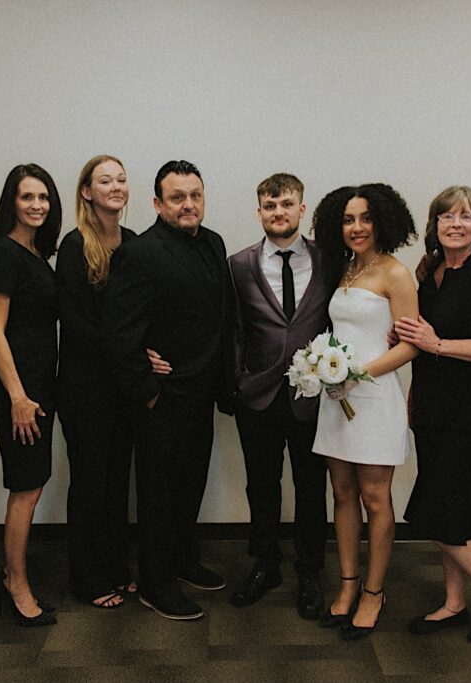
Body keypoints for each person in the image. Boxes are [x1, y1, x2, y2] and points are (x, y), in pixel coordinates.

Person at [104, 160, 235, 620]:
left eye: (195, 195)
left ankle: (182, 560)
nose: (188, 204)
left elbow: (222, 315)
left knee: (190, 485)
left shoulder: (214, 243)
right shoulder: (140, 253)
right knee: (158, 493)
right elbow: (120, 333)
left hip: (202, 393)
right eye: (177, 197)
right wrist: (148, 390)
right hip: (161, 397)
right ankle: (156, 582)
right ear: (158, 203)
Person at [393, 186, 471, 645]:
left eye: (466, 217)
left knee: (446, 509)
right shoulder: (430, 274)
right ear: (436, 226)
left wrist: (439, 346)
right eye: (447, 216)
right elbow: (420, 340)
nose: (456, 224)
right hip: (431, 407)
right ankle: (453, 602)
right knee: (449, 510)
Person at [226, 173, 339, 618]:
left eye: (287, 204)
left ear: (301, 208)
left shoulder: (330, 260)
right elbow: (233, 327)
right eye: (270, 206)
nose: (279, 213)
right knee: (262, 486)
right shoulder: (239, 264)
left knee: (312, 488)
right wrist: (237, 380)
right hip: (257, 396)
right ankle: (266, 563)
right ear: (259, 212)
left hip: (313, 398)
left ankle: (310, 570)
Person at [310, 183, 419, 640]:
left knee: (375, 499)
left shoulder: (395, 273)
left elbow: (411, 344)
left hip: (373, 397)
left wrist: (359, 373)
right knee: (341, 494)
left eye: (366, 218)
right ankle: (348, 584)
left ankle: (374, 592)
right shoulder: (346, 269)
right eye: (349, 220)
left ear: (383, 222)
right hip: (336, 399)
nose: (357, 228)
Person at [55, 155, 138, 609]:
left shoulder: (135, 242)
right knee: (89, 483)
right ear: (87, 191)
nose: (116, 186)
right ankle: (88, 579)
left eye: (122, 179)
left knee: (115, 484)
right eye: (105, 180)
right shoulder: (74, 246)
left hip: (124, 388)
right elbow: (80, 324)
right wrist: (131, 353)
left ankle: (116, 567)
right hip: (86, 387)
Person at [0, 164, 62, 627]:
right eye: (27, 196)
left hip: (38, 389)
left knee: (32, 483)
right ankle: (16, 584)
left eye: (43, 198)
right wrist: (17, 396)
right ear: (11, 201)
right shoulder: (4, 255)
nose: (36, 205)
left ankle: (13, 577)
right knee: (26, 488)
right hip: (20, 394)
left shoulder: (35, 254)